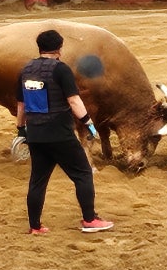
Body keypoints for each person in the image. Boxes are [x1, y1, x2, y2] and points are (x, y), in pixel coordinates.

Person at [15, 30, 114, 234]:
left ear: (40, 48)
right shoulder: (61, 69)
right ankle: (89, 220)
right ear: (59, 48)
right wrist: (89, 123)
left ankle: (35, 226)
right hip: (59, 133)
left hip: (35, 133)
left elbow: (22, 104)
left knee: (37, 180)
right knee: (83, 173)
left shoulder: (25, 70)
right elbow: (73, 100)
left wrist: (21, 129)